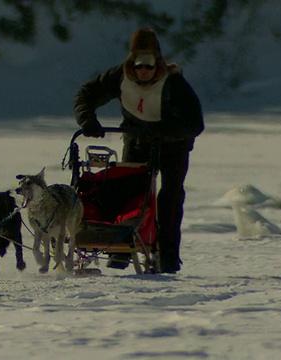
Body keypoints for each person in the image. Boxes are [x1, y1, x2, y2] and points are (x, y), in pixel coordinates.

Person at [73, 28, 204, 274]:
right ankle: (121, 250)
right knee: (128, 194)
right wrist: (87, 120)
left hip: (173, 147)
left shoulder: (174, 83)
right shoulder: (119, 77)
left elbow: (195, 124)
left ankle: (167, 257)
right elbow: (86, 94)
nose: (144, 70)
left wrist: (163, 132)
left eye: (150, 65)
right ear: (130, 64)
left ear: (158, 63)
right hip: (137, 142)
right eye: (138, 65)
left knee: (169, 198)